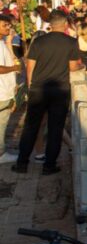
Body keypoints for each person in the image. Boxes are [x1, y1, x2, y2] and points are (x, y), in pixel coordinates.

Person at [13, 10, 82, 175]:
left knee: (31, 127)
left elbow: (30, 68)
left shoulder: (39, 41)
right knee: (55, 129)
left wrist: (30, 88)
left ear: (50, 25)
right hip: (60, 89)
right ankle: (49, 166)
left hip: (38, 89)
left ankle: (22, 164)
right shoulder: (71, 42)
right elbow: (73, 67)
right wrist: (82, 67)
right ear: (65, 25)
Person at [0, 14, 21, 165]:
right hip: (1, 92)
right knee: (1, 124)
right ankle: (1, 154)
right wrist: (15, 67)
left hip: (5, 90)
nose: (8, 27)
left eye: (8, 25)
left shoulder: (2, 42)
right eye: (4, 25)